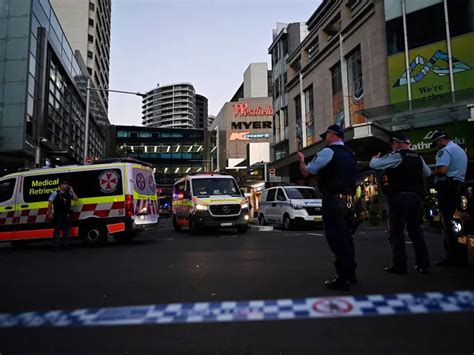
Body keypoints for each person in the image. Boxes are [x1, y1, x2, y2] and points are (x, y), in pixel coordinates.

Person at [298, 124, 357, 291]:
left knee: (337, 239)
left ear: (332, 135)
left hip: (333, 201)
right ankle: (350, 274)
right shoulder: (351, 154)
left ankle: (343, 278)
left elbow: (307, 173)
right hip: (349, 201)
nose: (325, 139)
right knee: (347, 239)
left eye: (326, 136)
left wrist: (302, 162)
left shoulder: (328, 152)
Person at [370, 133, 431, 274]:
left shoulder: (398, 156)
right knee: (416, 231)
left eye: (393, 144)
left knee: (396, 232)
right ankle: (423, 264)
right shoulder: (418, 157)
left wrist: (374, 159)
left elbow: (375, 165)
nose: (392, 146)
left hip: (399, 198)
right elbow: (427, 173)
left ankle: (400, 265)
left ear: (397, 143)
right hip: (416, 198)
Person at [431, 130, 469, 267]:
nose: (436, 146)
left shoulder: (445, 151)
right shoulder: (459, 150)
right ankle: (461, 257)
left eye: (436, 143)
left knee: (447, 222)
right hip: (458, 187)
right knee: (458, 223)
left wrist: (431, 171)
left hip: (447, 188)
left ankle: (451, 257)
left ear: (440, 140)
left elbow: (442, 170)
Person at [47, 180, 78, 250]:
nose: (66, 185)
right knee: (57, 230)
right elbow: (50, 204)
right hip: (58, 214)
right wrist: (50, 214)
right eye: (64, 184)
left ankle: (65, 246)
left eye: (67, 184)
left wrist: (72, 191)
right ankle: (56, 246)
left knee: (66, 231)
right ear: (60, 185)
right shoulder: (55, 193)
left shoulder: (69, 193)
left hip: (66, 214)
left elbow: (76, 199)